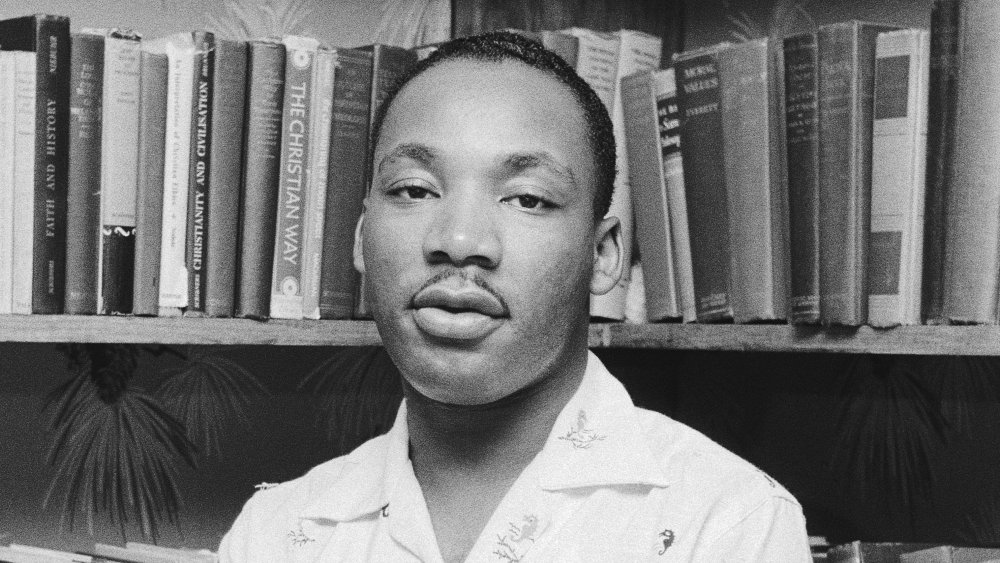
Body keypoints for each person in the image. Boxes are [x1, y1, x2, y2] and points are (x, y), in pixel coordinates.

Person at [219, 31, 811, 562]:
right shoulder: (275, 535)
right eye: (414, 189)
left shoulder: (730, 526)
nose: (459, 241)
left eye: (527, 198)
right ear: (359, 240)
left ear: (602, 255)